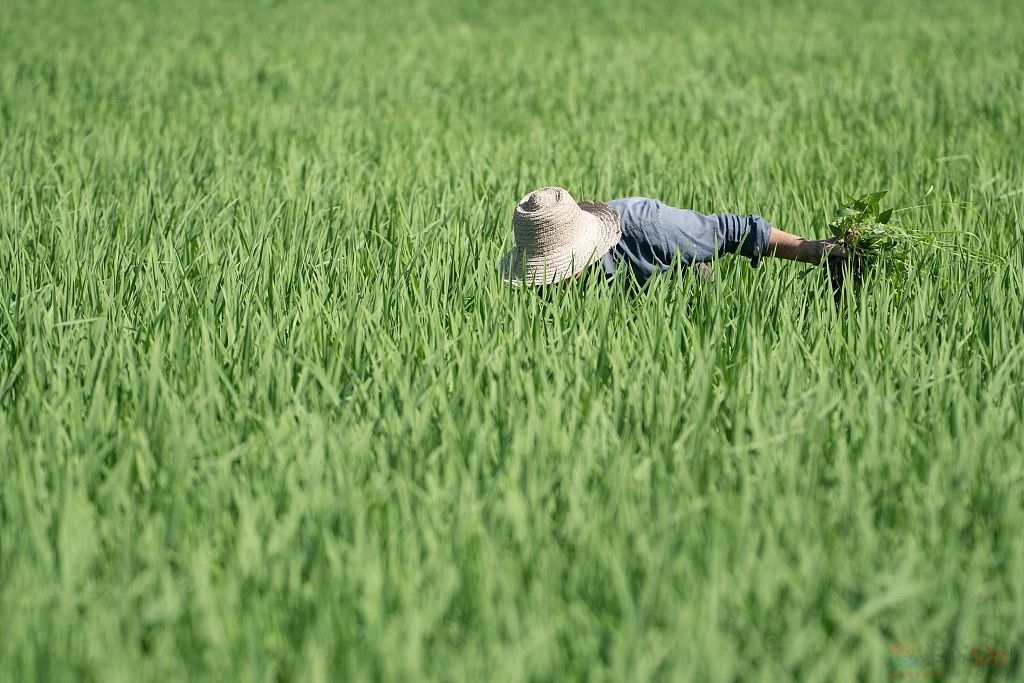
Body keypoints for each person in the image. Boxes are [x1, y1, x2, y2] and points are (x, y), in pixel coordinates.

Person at [498, 186, 845, 288]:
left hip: (685, 289)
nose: (553, 282)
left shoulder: (649, 226)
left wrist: (814, 251)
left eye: (557, 270)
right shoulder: (541, 291)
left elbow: (733, 231)